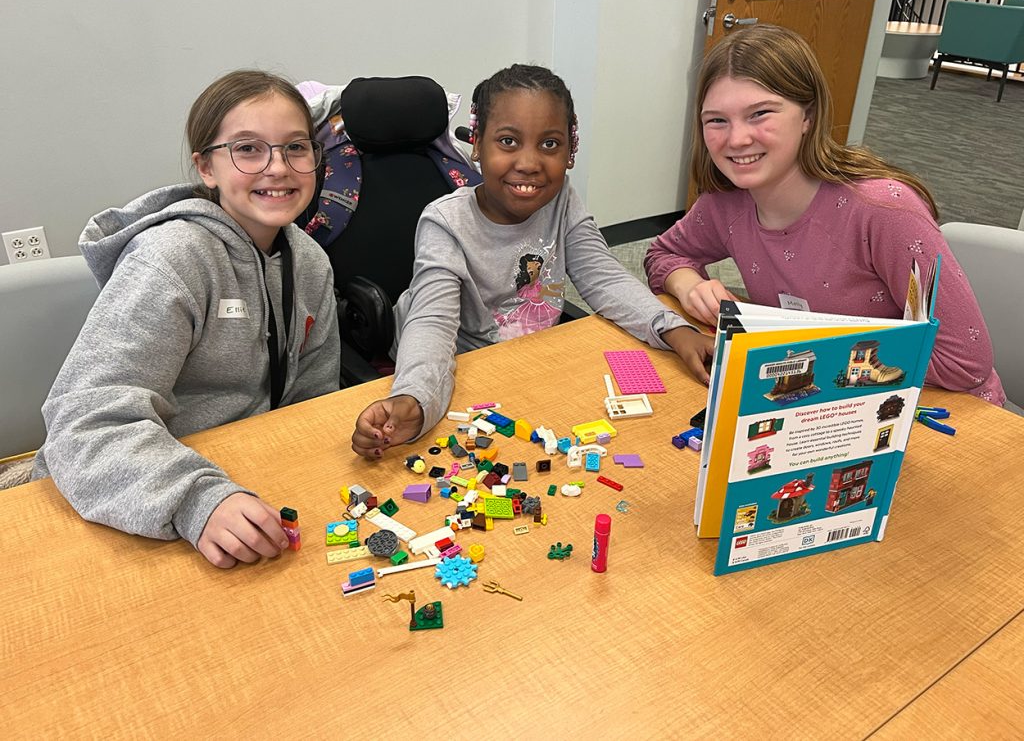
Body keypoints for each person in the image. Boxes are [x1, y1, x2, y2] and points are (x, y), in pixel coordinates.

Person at [33, 70, 341, 567]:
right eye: (247, 149)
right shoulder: (172, 259)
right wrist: (197, 499)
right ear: (207, 167)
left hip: (245, 484)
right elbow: (84, 423)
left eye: (296, 148)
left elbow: (312, 397)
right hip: (140, 500)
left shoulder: (309, 261)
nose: (278, 168)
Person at [351, 64, 713, 457]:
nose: (529, 162)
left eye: (550, 144)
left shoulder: (561, 201)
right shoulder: (445, 222)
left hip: (530, 364)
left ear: (571, 151)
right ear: (476, 144)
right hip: (460, 369)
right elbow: (432, 323)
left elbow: (605, 278)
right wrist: (414, 398)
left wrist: (674, 330)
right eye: (508, 141)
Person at [644, 25, 1004, 406]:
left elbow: (964, 364)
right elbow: (661, 256)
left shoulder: (883, 210)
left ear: (807, 117)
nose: (736, 139)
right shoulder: (726, 203)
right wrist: (690, 286)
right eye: (717, 120)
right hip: (825, 403)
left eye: (760, 114)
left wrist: (813, 351)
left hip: (943, 409)